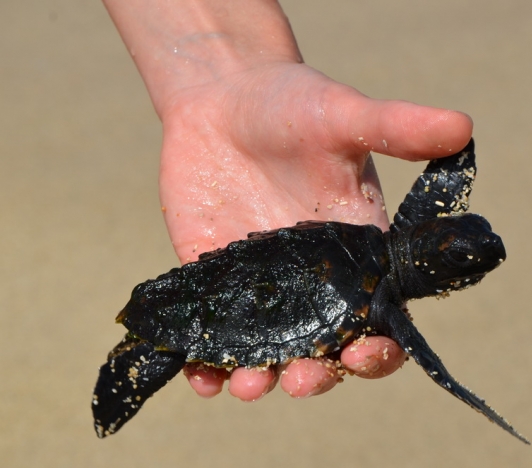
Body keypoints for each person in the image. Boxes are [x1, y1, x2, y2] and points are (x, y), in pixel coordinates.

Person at [102, 0, 474, 401]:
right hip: (212, 307)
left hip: (258, 285)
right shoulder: (382, 287)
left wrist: (232, 72)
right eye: (453, 252)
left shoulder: (374, 248)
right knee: (163, 351)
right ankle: (139, 362)